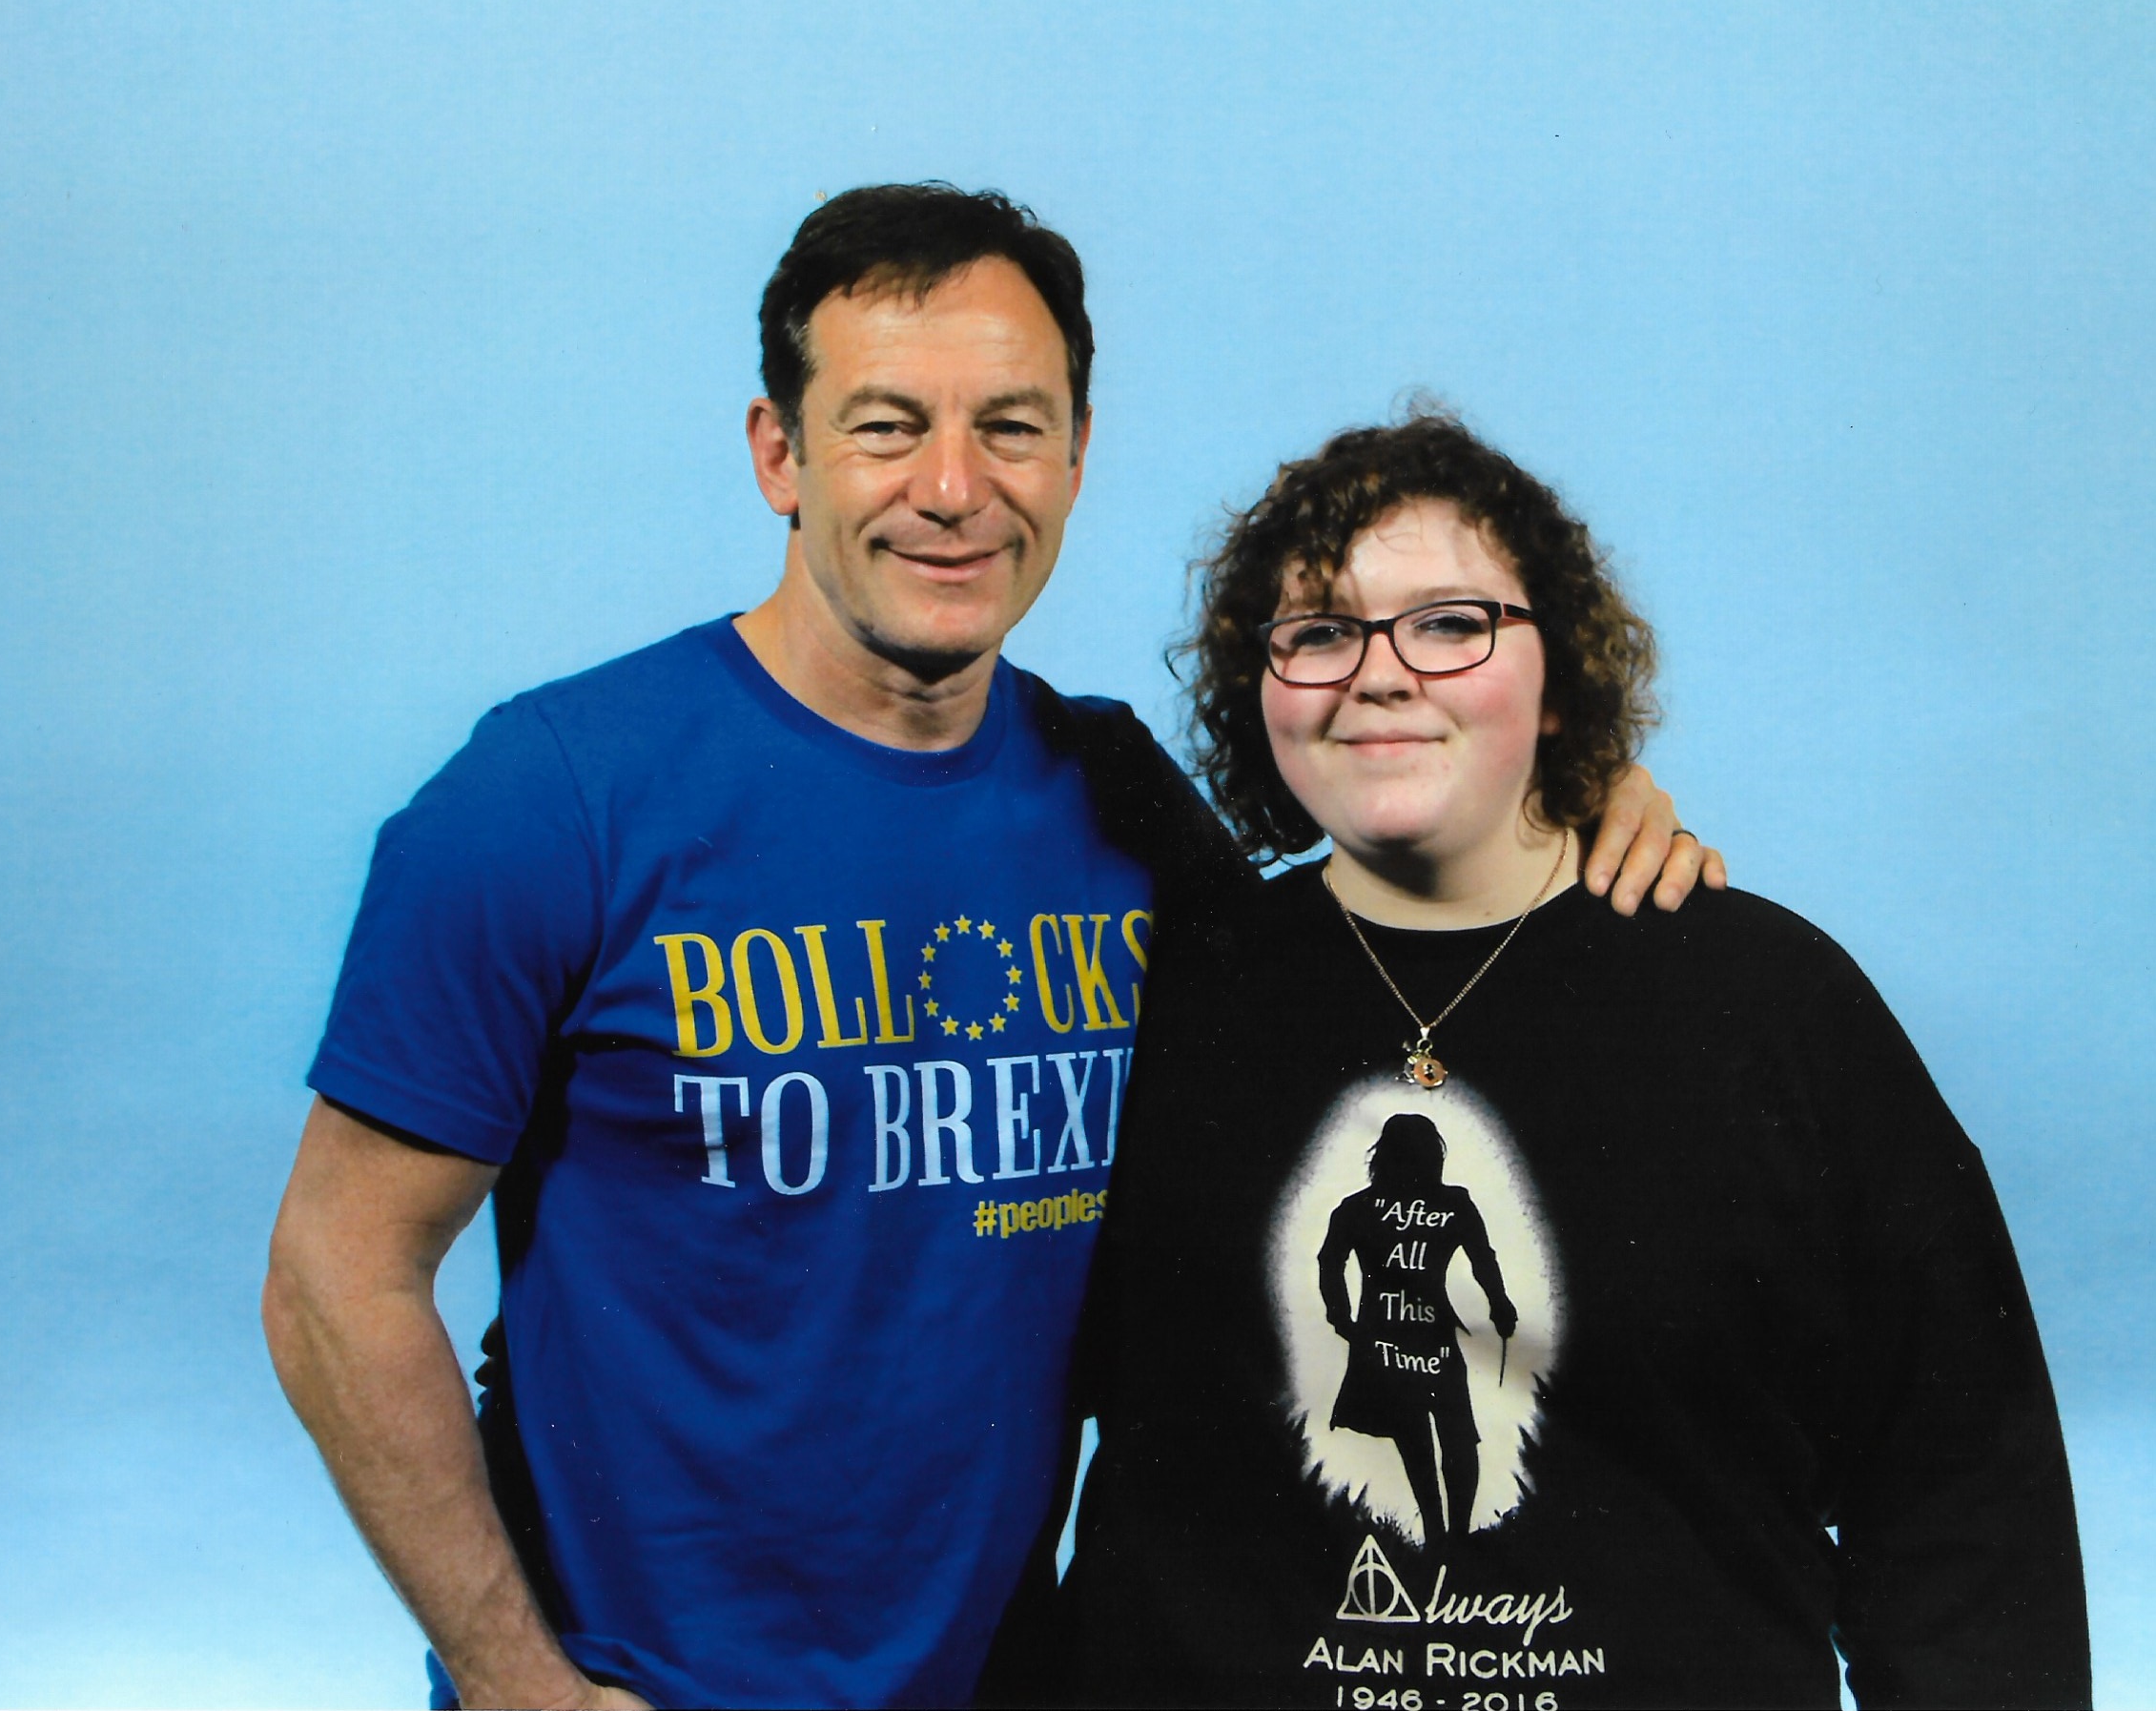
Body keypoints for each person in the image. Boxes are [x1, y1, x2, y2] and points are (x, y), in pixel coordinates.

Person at [260, 186, 1716, 1711]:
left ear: (1076, 455)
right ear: (779, 453)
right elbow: (336, 1274)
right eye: (887, 427)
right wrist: (515, 1685)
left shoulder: (1112, 797)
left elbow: (1355, 993)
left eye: (1011, 429)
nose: (953, 489)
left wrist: (1556, 806)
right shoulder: (554, 797)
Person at [1044, 412, 2089, 1708]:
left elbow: (1967, 1509)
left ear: (1559, 680)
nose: (1379, 675)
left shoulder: (1772, 1007)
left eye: (1450, 624)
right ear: (1256, 681)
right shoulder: (1160, 994)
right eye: (1318, 632)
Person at [1316, 1112, 1516, 1556]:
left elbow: (1330, 1262)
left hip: (1388, 1337)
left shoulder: (1357, 1208)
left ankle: (1443, 1535)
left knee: (1418, 1435)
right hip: (1427, 1338)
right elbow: (1483, 1259)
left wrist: (1342, 1319)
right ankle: (1453, 1537)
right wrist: (1499, 1304)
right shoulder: (1453, 1203)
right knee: (1452, 1433)